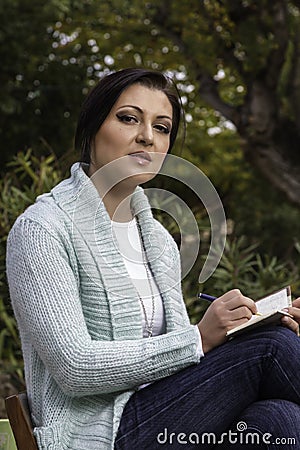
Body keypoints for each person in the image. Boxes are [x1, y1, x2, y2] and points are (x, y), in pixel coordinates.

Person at [6, 67, 300, 450]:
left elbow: (177, 359)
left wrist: (242, 326)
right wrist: (198, 337)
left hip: (164, 418)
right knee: (272, 348)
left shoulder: (157, 239)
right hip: (98, 436)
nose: (147, 136)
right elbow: (73, 367)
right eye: (129, 118)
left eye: (162, 127)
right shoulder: (43, 229)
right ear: (94, 127)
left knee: (279, 420)